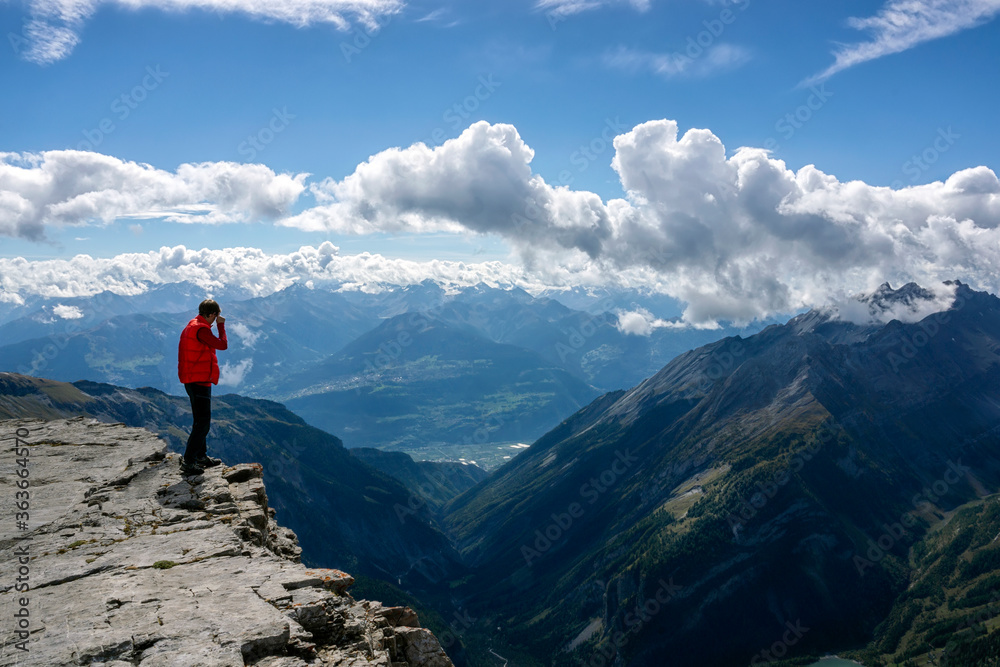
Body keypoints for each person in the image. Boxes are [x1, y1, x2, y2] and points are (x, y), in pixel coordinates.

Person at [177, 299, 229, 475]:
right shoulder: (201, 329)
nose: (216, 319)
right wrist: (221, 326)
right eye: (216, 316)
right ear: (213, 314)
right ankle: (189, 462)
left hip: (192, 379)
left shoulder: (192, 325)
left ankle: (200, 456)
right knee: (203, 423)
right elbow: (222, 345)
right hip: (199, 381)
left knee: (200, 421)